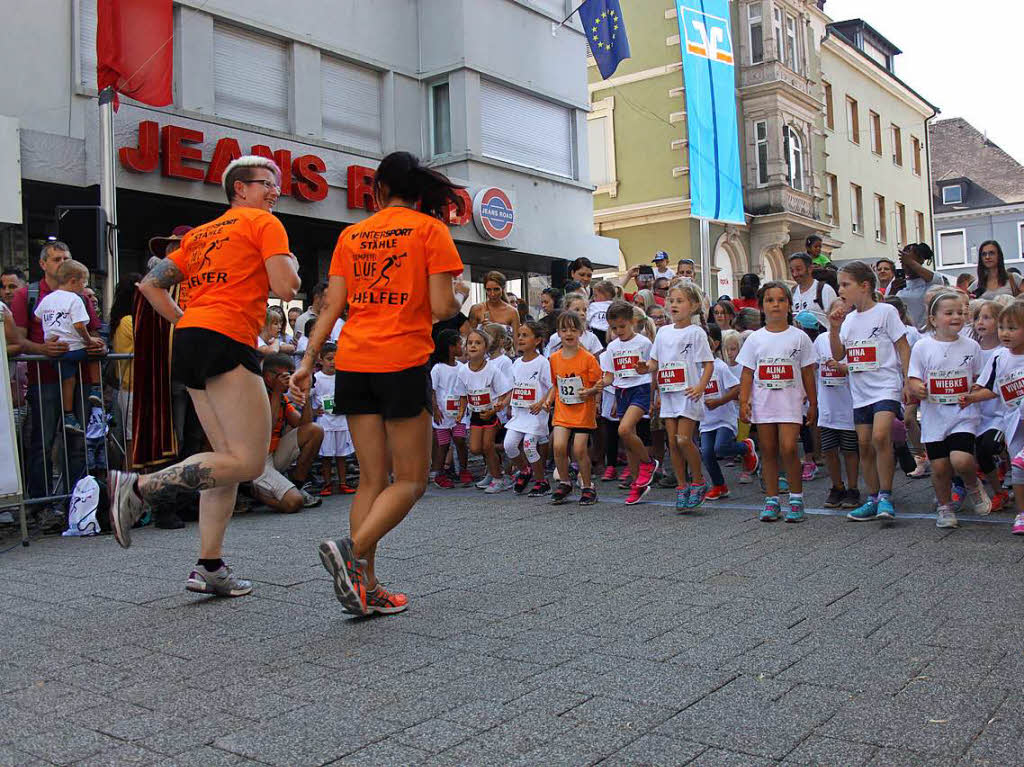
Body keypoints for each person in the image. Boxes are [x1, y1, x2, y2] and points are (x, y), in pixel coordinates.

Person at [107, 155, 301, 599]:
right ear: (240, 190)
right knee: (250, 462)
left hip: (193, 337)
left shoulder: (199, 234)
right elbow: (287, 287)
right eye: (266, 183)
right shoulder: (263, 223)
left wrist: (187, 319)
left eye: (277, 185)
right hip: (226, 337)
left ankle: (209, 566)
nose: (275, 192)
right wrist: (288, 263)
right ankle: (137, 487)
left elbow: (150, 285)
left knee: (225, 462)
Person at [294, 151, 465, 615]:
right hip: (401, 360)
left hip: (352, 359)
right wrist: (456, 295)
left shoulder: (351, 234)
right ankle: (351, 551)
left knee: (372, 478)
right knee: (410, 480)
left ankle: (364, 588)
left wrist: (309, 361)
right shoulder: (431, 230)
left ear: (379, 189)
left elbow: (330, 307)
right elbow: (443, 307)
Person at [10, 241, 105, 509]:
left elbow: (95, 330)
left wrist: (98, 344)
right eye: (56, 259)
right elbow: (17, 338)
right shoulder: (26, 295)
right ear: (43, 264)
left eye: (66, 258)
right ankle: (42, 506)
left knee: (77, 441)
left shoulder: (81, 295)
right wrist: (42, 348)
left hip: (80, 377)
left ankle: (77, 503)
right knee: (42, 442)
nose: (62, 263)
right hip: (45, 379)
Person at [829, 261, 911, 522]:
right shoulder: (849, 320)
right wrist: (833, 328)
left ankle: (886, 495)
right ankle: (872, 497)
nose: (840, 290)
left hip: (885, 385)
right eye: (839, 285)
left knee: (880, 436)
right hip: (860, 391)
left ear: (864, 286)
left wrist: (908, 380)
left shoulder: (886, 312)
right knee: (864, 445)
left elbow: (903, 345)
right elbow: (839, 353)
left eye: (845, 284)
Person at [906, 292, 990, 528]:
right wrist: (917, 388)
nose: (956, 317)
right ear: (933, 319)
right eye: (949, 313)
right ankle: (945, 507)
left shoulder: (972, 347)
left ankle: (973, 485)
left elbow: (979, 377)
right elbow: (912, 378)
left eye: (960, 313)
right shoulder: (922, 347)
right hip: (934, 417)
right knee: (940, 467)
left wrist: (974, 392)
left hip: (963, 414)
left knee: (961, 460)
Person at [738, 282, 817, 523]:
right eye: (770, 300)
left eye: (781, 300)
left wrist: (813, 403)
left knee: (789, 448)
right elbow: (747, 373)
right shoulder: (754, 339)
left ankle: (796, 498)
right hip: (764, 403)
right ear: (762, 306)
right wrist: (744, 401)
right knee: (769, 450)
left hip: (790, 402)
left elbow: (807, 372)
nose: (776, 304)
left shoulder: (800, 337)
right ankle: (772, 500)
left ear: (789, 305)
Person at [967, 302, 1024, 535]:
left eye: (1012, 328)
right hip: (1013, 421)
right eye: (1002, 327)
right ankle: (1022, 513)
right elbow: (992, 388)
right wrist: (970, 398)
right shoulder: (1000, 357)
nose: (1005, 333)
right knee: (1019, 471)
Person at [32, 259, 103, 434]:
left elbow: (37, 318)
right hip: (74, 348)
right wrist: (89, 341)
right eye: (83, 282)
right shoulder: (75, 299)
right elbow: (79, 325)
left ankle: (69, 414)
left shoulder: (48, 298)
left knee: (68, 380)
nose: (83, 286)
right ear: (73, 281)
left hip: (56, 351)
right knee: (95, 352)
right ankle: (96, 388)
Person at [251, 353, 324, 513]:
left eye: (291, 374)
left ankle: (297, 484)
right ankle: (251, 492)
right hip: (256, 461)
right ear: (269, 377)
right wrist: (276, 393)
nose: (290, 379)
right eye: (285, 375)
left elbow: (304, 426)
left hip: (274, 454)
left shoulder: (283, 398)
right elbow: (265, 431)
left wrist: (304, 395)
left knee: (315, 430)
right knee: (293, 502)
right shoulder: (257, 394)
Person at [602, 301, 658, 505]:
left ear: (632, 322)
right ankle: (638, 484)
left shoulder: (643, 343)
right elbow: (609, 376)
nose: (618, 331)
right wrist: (597, 386)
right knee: (629, 441)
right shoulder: (611, 347)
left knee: (624, 430)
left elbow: (652, 369)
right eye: (614, 328)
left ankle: (649, 463)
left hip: (640, 390)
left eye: (622, 326)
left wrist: (653, 397)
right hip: (621, 392)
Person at [545, 311, 603, 505]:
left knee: (579, 450)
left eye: (573, 329)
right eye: (564, 329)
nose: (568, 333)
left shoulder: (587, 358)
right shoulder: (553, 358)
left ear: (581, 332)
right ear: (558, 333)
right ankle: (564, 482)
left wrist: (590, 392)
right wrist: (548, 400)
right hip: (563, 410)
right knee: (558, 446)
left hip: (583, 412)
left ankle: (587, 486)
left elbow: (599, 383)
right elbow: (556, 384)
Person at [698, 323, 759, 501]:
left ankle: (745, 447)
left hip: (724, 417)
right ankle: (719, 486)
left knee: (721, 447)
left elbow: (736, 388)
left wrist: (718, 401)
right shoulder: (694, 369)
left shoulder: (719, 367)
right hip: (705, 420)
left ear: (714, 345)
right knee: (707, 453)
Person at [815, 297, 860, 510]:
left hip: (848, 405)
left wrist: (844, 368)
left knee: (850, 450)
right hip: (828, 405)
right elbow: (813, 368)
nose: (840, 316)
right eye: (836, 311)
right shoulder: (821, 340)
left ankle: (853, 488)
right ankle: (836, 486)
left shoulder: (854, 337)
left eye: (845, 312)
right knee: (829, 449)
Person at [505, 321, 552, 495]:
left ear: (538, 340)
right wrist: (505, 403)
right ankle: (525, 470)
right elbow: (512, 387)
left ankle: (542, 481)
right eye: (519, 335)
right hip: (519, 414)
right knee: (509, 445)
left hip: (536, 414)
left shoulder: (542, 363)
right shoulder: (516, 363)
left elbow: (553, 386)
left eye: (526, 335)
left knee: (529, 445)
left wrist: (542, 403)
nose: (521, 338)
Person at [107, 274, 141, 470]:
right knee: (133, 441)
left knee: (133, 439)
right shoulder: (128, 321)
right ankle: (129, 489)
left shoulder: (122, 320)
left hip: (130, 387)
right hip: (132, 387)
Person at [313, 343, 356, 496]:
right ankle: (327, 483)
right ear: (321, 360)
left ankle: (343, 483)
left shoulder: (343, 376)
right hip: (325, 422)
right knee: (326, 455)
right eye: (329, 359)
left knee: (341, 454)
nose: (333, 362)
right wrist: (313, 410)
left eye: (335, 358)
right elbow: (309, 396)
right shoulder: (317, 378)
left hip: (342, 421)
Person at [429, 329, 470, 489]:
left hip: (459, 413)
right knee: (443, 444)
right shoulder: (437, 369)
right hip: (443, 414)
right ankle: (439, 474)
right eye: (460, 344)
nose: (463, 348)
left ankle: (464, 470)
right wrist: (436, 410)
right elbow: (432, 390)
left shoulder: (461, 367)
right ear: (451, 347)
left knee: (460, 440)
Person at [896, 243, 945, 329]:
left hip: (926, 331)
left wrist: (910, 261)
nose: (906, 265)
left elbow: (935, 280)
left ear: (921, 261)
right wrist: (893, 290)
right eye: (903, 262)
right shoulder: (897, 282)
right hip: (905, 332)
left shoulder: (934, 280)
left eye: (910, 261)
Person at [789, 252, 836, 331]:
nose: (795, 274)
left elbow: (836, 321)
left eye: (798, 269)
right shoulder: (792, 293)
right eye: (792, 271)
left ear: (810, 269)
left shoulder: (825, 290)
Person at [468, 270, 520, 335]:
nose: (492, 294)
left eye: (496, 289)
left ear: (503, 288)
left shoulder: (512, 312)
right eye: (488, 290)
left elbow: (517, 342)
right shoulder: (476, 309)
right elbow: (470, 338)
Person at [586, 280, 616, 346]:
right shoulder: (593, 305)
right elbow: (587, 319)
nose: (594, 298)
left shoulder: (614, 305)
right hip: (596, 331)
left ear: (606, 294)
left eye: (596, 295)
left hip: (609, 332)